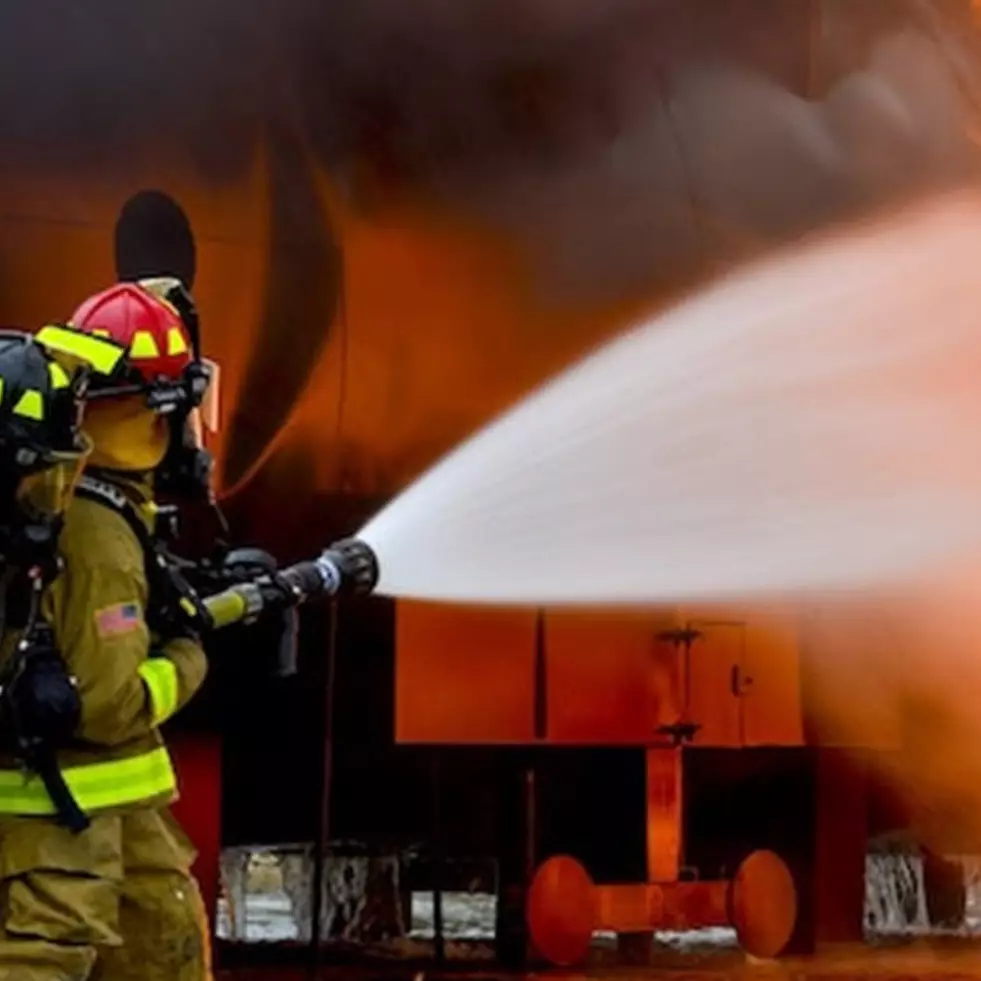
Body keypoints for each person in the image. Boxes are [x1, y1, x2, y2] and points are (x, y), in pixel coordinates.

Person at [0, 281, 220, 981]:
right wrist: (188, 656)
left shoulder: (93, 501)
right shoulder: (96, 531)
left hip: (116, 809)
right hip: (63, 820)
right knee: (43, 961)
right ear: (156, 408)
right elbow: (110, 702)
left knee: (165, 945)